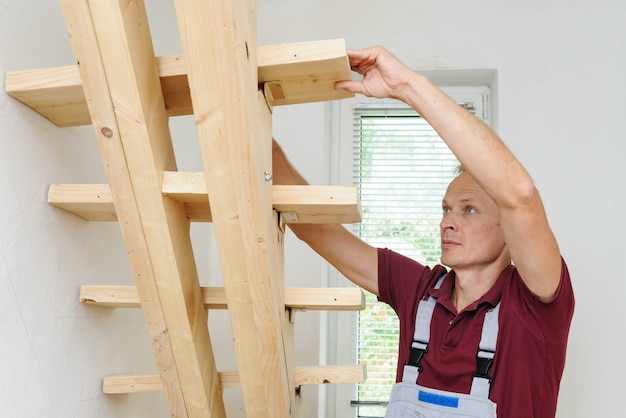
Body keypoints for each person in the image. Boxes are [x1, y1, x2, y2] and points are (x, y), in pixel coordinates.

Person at [272, 46, 574, 418]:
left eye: (469, 209)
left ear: (508, 228)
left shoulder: (534, 304)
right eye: (446, 208)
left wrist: (408, 86)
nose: (447, 221)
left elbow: (521, 196)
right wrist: (256, 140)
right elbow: (318, 231)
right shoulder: (420, 291)